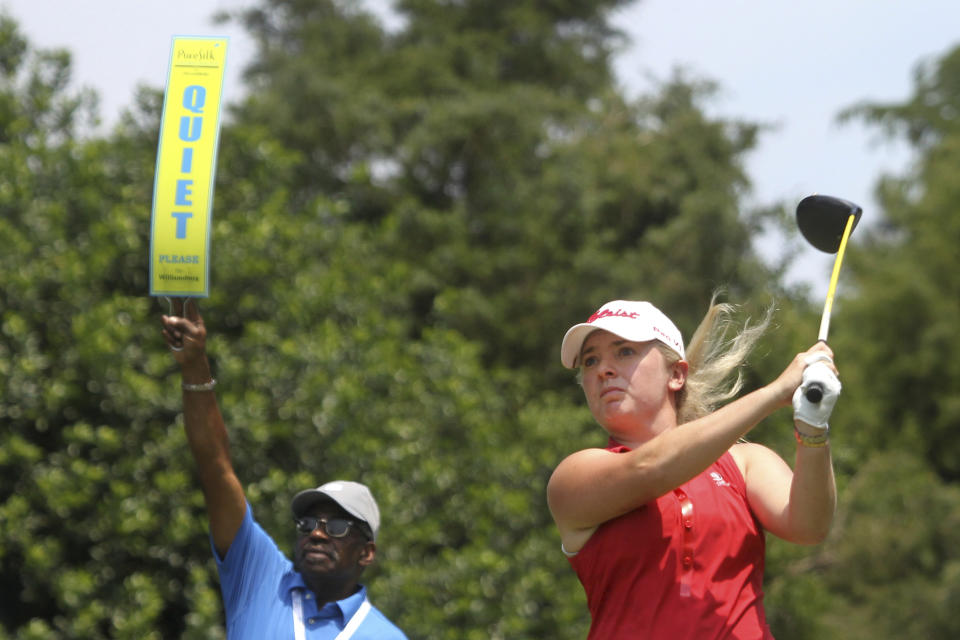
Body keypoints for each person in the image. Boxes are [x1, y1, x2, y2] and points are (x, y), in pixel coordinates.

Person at [547, 299, 841, 639]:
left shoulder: (744, 463)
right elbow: (650, 469)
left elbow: (809, 526)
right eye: (590, 360)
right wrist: (774, 393)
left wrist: (813, 427)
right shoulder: (574, 476)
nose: (603, 369)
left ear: (676, 374)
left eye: (624, 352)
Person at [161, 301, 408, 640]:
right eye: (308, 524)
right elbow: (215, 467)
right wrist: (194, 366)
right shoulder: (259, 576)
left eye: (336, 526)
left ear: (367, 552)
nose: (317, 534)